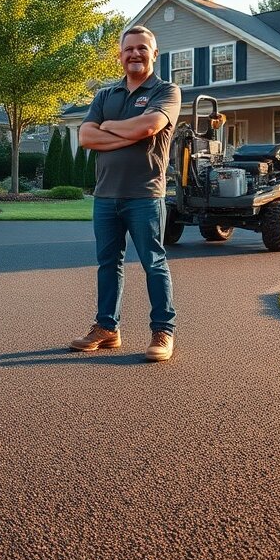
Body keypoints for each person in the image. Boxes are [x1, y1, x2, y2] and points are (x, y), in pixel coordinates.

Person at [70, 26, 181, 362]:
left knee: (154, 263)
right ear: (120, 55)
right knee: (108, 264)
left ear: (154, 53)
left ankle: (163, 331)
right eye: (129, 49)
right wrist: (127, 132)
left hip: (145, 194)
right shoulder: (105, 95)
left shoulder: (167, 91)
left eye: (142, 48)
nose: (135, 54)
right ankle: (107, 328)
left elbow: (148, 127)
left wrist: (110, 128)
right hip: (105, 195)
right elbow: (85, 137)